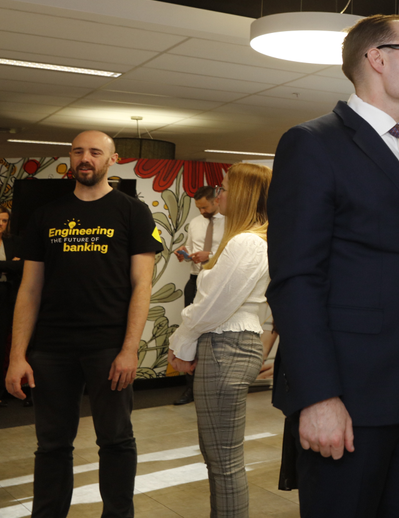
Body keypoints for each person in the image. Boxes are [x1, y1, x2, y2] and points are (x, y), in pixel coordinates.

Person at [266, 14, 399, 517]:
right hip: (352, 398)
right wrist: (318, 396)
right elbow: (296, 279)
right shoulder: (314, 143)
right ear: (377, 58)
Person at [4, 130, 162, 518]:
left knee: (116, 440)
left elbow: (142, 285)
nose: (85, 158)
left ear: (113, 159)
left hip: (108, 347)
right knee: (52, 445)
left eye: (95, 152)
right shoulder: (47, 216)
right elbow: (29, 291)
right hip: (51, 349)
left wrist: (129, 350)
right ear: (70, 159)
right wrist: (17, 356)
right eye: (78, 152)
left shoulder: (132, 211)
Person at [167, 163, 271, 518]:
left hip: (227, 345)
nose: (219, 193)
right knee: (218, 456)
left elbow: (212, 306)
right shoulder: (246, 238)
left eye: (224, 188)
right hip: (229, 343)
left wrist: (181, 342)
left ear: (242, 194)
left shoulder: (247, 242)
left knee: (223, 460)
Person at [172, 184, 225, 406]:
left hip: (218, 283)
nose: (201, 211)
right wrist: (184, 253)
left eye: (204, 207)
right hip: (195, 281)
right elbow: (194, 249)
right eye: (198, 207)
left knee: (215, 334)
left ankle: (214, 388)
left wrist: (210, 255)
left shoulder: (231, 222)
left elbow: (233, 253)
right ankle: (190, 389)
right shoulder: (195, 222)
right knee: (190, 329)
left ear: (216, 200)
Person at [0, 207, 22, 408]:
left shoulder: (13, 241)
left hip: (6, 295)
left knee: (2, 341)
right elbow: (13, 265)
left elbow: (23, 265)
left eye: (4, 220)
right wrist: (8, 264)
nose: (1, 223)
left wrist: (3, 264)